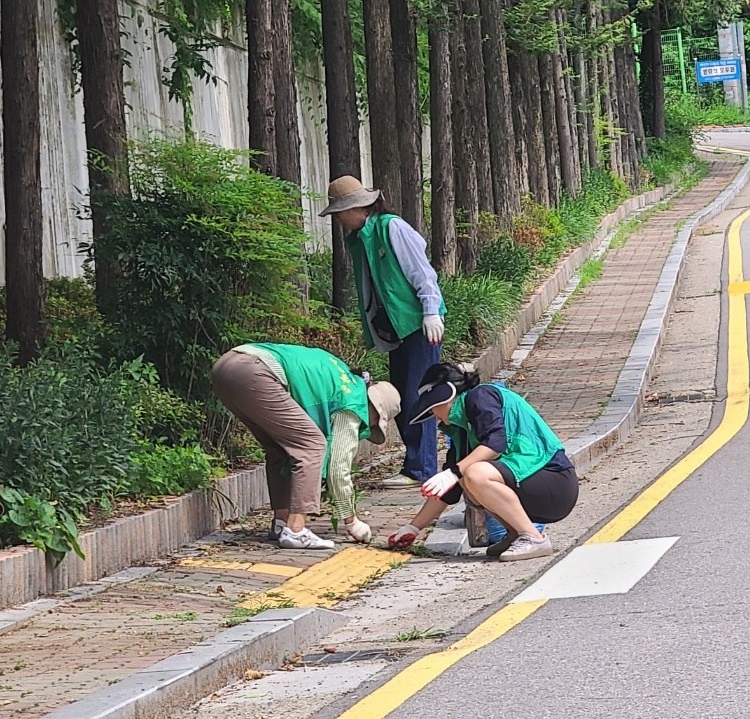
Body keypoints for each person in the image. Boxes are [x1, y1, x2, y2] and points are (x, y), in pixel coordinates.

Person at [320, 175, 445, 488]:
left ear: (358, 207)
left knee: (421, 394)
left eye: (340, 211)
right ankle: (416, 464)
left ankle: (422, 468)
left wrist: (431, 310)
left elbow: (422, 271)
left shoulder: (392, 228)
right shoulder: (362, 237)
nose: (338, 218)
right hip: (395, 328)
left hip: (417, 324)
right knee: (403, 393)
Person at [212, 342, 400, 551]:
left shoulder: (341, 377)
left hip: (228, 366)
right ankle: (295, 530)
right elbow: (338, 470)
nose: (369, 426)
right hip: (257, 371)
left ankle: (281, 523)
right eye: (374, 422)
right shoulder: (354, 402)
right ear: (374, 408)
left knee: (280, 448)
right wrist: (352, 522)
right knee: (313, 445)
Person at [387, 363, 578, 561]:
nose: (434, 415)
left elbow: (496, 443)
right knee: (465, 477)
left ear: (445, 396)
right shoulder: (462, 430)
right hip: (533, 485)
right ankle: (515, 535)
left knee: (474, 474)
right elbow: (449, 491)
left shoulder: (481, 396)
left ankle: (533, 538)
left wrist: (454, 472)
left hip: (554, 480)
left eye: (432, 406)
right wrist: (413, 528)